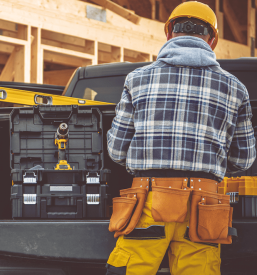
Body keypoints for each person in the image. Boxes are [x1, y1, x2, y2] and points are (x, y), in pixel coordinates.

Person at [105, 1, 256, 275]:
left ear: (169, 34)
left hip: (147, 203)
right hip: (204, 208)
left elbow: (116, 150)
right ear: (212, 40)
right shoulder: (236, 89)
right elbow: (243, 159)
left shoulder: (137, 80)